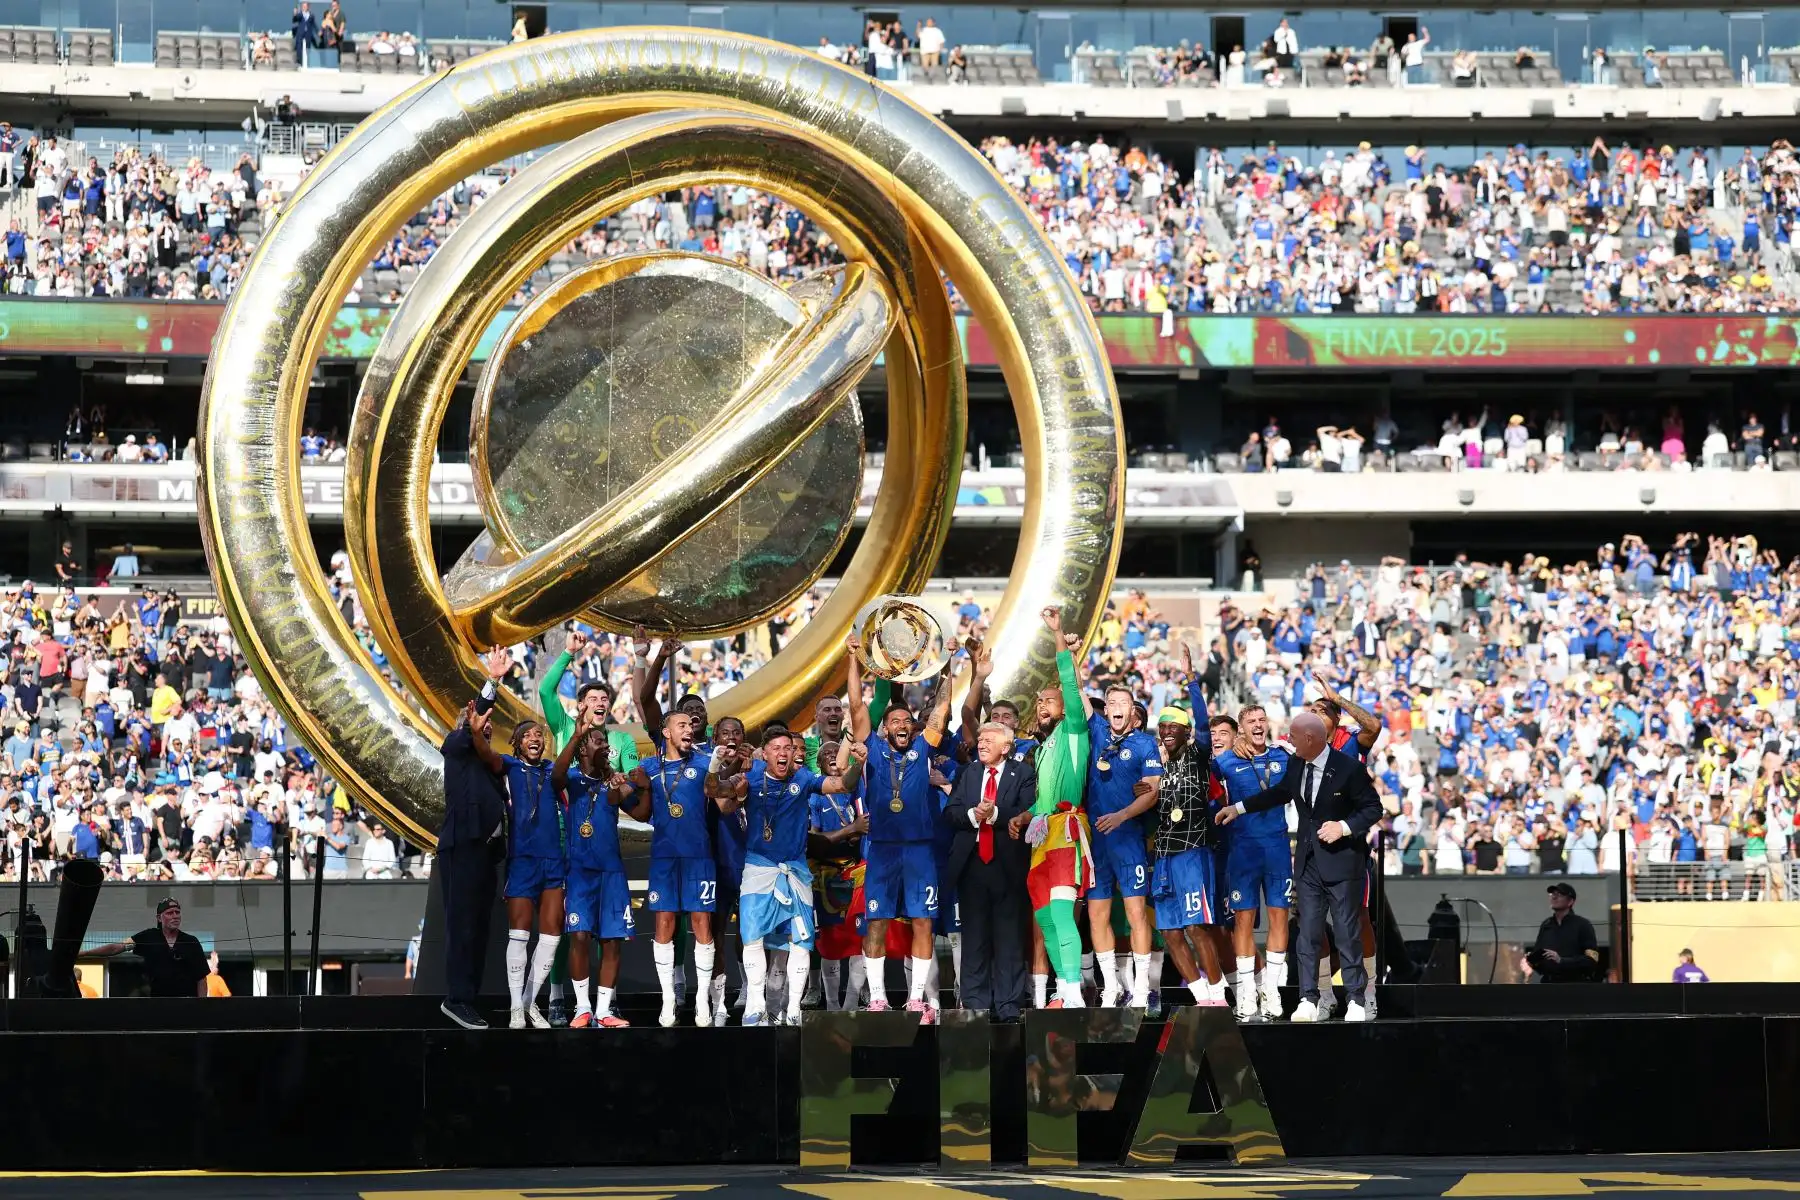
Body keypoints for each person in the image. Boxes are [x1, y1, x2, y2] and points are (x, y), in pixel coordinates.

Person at [1218, 710, 1382, 1022]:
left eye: (1293, 737)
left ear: (1310, 739)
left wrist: (1343, 827)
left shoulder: (1347, 769)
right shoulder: (1296, 763)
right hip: (1307, 863)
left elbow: (1374, 808)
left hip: (1342, 863)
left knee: (1347, 933)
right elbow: (1279, 794)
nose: (1287, 742)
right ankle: (1308, 998)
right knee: (1307, 932)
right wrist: (1237, 808)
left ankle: (1357, 1000)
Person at [710, 724, 852, 1026]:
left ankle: (794, 1010)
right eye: (776, 748)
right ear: (765, 752)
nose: (784, 753)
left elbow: (841, 785)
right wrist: (723, 768)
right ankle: (756, 1004)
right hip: (758, 868)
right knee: (752, 937)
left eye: (789, 748)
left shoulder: (803, 777)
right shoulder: (751, 774)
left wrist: (856, 755)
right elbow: (720, 802)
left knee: (801, 941)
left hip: (795, 869)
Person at [845, 629, 953, 1019]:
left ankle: (916, 998)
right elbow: (857, 704)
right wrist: (855, 657)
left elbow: (941, 708)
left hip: (920, 850)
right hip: (884, 850)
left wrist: (949, 663)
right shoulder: (871, 746)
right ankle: (877, 998)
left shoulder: (924, 745)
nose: (903, 724)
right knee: (877, 921)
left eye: (908, 720)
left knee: (922, 921)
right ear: (885, 729)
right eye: (895, 721)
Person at [481, 646, 564, 1030]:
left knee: (551, 934)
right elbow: (480, 746)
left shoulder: (554, 772)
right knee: (520, 933)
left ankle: (531, 1003)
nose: (536, 738)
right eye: (528, 734)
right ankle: (516, 1006)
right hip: (523, 861)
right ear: (516, 743)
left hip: (554, 862)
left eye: (540, 735)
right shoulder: (508, 765)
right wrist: (493, 681)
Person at [1019, 606, 1093, 1009]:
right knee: (1045, 917)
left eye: (1050, 699)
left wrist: (1059, 636)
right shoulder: (1043, 746)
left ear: (1067, 705)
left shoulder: (1074, 733)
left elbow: (1068, 681)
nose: (1043, 704)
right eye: (1039, 700)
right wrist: (1025, 814)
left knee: (1063, 914)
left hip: (1066, 832)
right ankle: (1063, 991)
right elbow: (1042, 798)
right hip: (1042, 835)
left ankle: (1071, 993)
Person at [627, 706, 718, 1028]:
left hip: (699, 856)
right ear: (666, 732)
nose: (689, 729)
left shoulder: (706, 763)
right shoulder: (648, 767)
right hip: (664, 858)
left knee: (701, 925)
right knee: (664, 925)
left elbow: (721, 794)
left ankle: (701, 1000)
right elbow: (636, 810)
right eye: (681, 724)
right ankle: (668, 999)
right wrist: (627, 786)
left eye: (691, 725)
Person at [1149, 653, 1229, 1007]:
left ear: (1187, 733)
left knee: (1197, 927)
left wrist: (1192, 681)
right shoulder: (1158, 770)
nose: (1166, 732)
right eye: (1162, 727)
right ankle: (1201, 997)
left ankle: (1219, 995)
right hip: (1164, 857)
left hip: (1193, 852)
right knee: (1169, 931)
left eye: (1173, 727)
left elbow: (1203, 719)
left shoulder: (1198, 756)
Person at [554, 715, 643, 1028]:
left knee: (612, 940)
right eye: (599, 741)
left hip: (612, 873)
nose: (606, 746)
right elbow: (555, 777)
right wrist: (576, 737)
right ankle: (582, 1008)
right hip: (579, 871)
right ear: (582, 748)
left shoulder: (613, 782)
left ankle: (604, 1011)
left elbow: (642, 813)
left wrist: (638, 785)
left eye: (606, 742)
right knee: (578, 936)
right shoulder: (574, 779)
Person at [943, 720, 1035, 1020]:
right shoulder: (968, 772)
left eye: (988, 740)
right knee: (974, 938)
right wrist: (972, 814)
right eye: (980, 739)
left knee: (1009, 937)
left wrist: (994, 814)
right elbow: (950, 812)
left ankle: (1009, 1006)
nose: (981, 744)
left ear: (1006, 747)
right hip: (972, 866)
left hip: (1008, 866)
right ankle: (975, 1005)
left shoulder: (1022, 773)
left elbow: (1030, 809)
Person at [1084, 675, 1164, 1008]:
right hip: (1097, 841)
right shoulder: (1097, 731)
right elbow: (1077, 691)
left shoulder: (1145, 743)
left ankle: (1143, 986)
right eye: (1112, 703)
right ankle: (1112, 988)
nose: (1117, 709)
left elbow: (1152, 790)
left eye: (1123, 704)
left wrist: (1122, 816)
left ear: (1133, 710)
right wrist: (1065, 646)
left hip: (1128, 838)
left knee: (1136, 914)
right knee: (1096, 916)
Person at [436, 674, 509, 1029]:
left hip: (485, 854)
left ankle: (469, 998)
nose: (486, 728)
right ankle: (457, 999)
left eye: (489, 726)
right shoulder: (456, 747)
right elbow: (467, 731)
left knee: (479, 929)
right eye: (481, 724)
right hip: (462, 847)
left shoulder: (490, 767)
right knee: (463, 926)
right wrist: (491, 683)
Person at [1214, 703, 1292, 1022]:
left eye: (1262, 720)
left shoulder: (1283, 755)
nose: (1258, 725)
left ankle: (1270, 988)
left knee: (1279, 917)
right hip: (1242, 850)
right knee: (1243, 921)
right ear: (1242, 729)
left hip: (1276, 847)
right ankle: (1246, 991)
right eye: (1251, 721)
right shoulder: (1225, 761)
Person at [88, 897, 209, 997]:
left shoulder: (191, 941)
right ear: (159, 918)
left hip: (186, 1005)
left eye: (177, 912)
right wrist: (82, 953)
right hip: (157, 1005)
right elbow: (116, 948)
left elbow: (201, 978)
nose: (175, 916)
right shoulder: (149, 937)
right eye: (169, 913)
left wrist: (201, 1008)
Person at [1522, 881, 1599, 983]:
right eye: (1552, 894)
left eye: (1559, 894)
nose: (1554, 897)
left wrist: (1561, 960)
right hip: (1548, 985)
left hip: (1574, 985)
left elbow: (1592, 960)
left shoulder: (1583, 925)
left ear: (1570, 901)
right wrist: (1531, 961)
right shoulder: (1546, 924)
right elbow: (1540, 960)